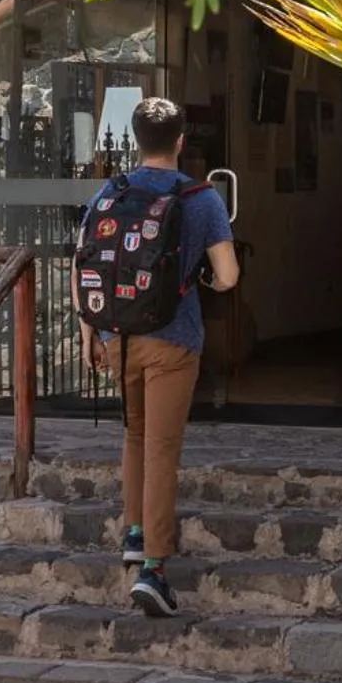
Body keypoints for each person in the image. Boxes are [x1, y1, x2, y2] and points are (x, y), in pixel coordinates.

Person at [78, 98, 237, 617]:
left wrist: (90, 333)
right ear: (181, 140)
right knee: (163, 448)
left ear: (136, 138)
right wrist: (203, 281)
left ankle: (134, 530)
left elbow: (89, 262)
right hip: (174, 339)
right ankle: (154, 570)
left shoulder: (112, 191)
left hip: (118, 336)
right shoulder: (201, 197)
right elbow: (229, 276)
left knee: (136, 435)